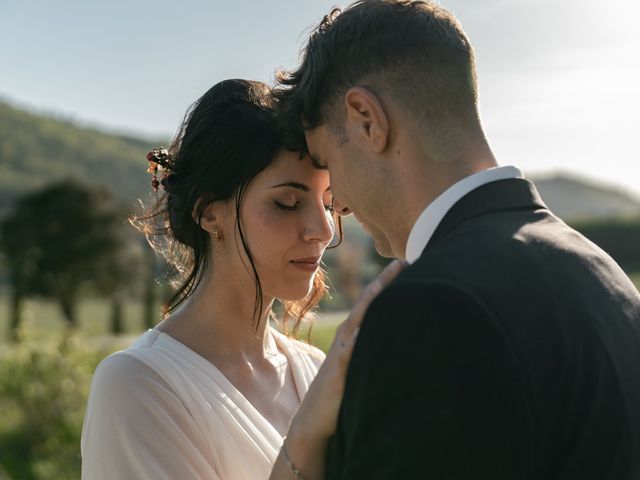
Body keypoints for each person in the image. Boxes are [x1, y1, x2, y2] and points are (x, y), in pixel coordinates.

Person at [274, 1, 640, 478]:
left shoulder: (430, 308)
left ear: (367, 119)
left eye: (330, 164)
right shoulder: (600, 272)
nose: (337, 204)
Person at [81, 78, 404, 479]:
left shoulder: (316, 368)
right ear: (209, 212)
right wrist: (309, 432)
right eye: (288, 202)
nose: (322, 229)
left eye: (327, 203)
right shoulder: (137, 387)